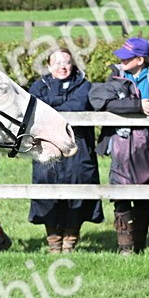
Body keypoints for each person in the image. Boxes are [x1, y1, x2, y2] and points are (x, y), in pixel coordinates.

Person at [90, 37, 149, 255]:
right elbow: (104, 102)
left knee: (143, 193)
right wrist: (138, 105)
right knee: (119, 192)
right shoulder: (116, 73)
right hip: (120, 141)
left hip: (148, 143)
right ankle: (125, 246)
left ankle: (140, 244)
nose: (122, 61)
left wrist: (127, 106)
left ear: (141, 59)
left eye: (128, 58)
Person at [26, 48, 102, 253]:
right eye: (57, 63)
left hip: (79, 151)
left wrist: (50, 107)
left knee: (79, 195)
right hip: (47, 151)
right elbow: (33, 106)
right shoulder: (39, 85)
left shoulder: (84, 85)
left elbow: (78, 105)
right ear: (49, 66)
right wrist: (55, 108)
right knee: (46, 196)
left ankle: (70, 241)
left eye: (66, 62)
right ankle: (53, 242)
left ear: (73, 64)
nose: (62, 67)